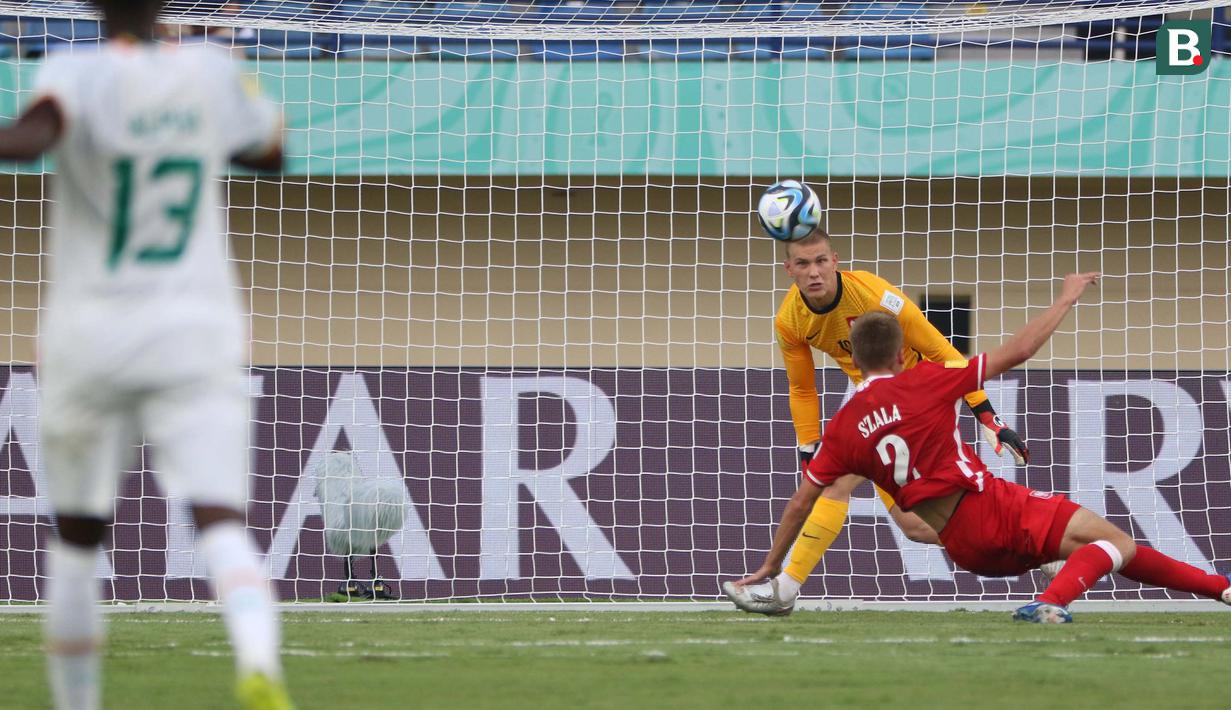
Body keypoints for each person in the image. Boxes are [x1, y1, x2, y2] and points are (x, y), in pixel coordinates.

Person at [0, 1, 291, 707]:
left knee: (75, 540)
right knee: (218, 519)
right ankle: (260, 663)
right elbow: (271, 155)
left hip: (90, 330)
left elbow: (30, 140)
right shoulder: (211, 71)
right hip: (195, 327)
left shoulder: (71, 71)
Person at [727, 273, 1231, 622]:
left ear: (850, 359)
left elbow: (803, 500)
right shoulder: (927, 380)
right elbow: (1021, 350)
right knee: (1116, 545)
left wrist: (769, 566)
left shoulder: (844, 429)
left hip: (963, 548)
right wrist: (1065, 298)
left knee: (1102, 548)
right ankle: (1051, 602)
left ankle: (1221, 590)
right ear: (903, 353)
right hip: (994, 507)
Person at [725, 229, 1025, 615]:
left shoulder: (872, 294)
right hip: (875, 396)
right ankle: (1029, 546)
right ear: (789, 269)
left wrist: (985, 413)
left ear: (835, 260)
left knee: (836, 483)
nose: (814, 272)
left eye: (820, 261)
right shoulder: (790, 321)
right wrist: (807, 447)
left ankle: (784, 588)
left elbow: (940, 349)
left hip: (920, 394)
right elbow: (801, 388)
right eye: (803, 263)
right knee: (916, 527)